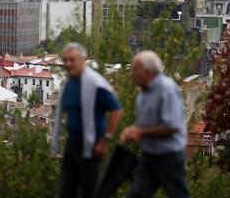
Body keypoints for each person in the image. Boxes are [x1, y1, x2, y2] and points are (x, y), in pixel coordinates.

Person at [51, 43, 123, 198]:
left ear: (83, 60)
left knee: (90, 191)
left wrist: (105, 140)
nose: (68, 64)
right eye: (65, 60)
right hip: (72, 144)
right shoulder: (68, 83)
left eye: (72, 60)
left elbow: (116, 109)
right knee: (67, 189)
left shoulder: (95, 83)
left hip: (91, 146)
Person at [120, 51, 190, 198]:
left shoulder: (167, 90)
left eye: (134, 70)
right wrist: (133, 131)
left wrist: (141, 133)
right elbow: (145, 125)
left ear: (147, 71)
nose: (131, 74)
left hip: (169, 156)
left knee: (178, 194)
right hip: (149, 156)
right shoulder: (143, 94)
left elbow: (172, 127)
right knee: (136, 195)